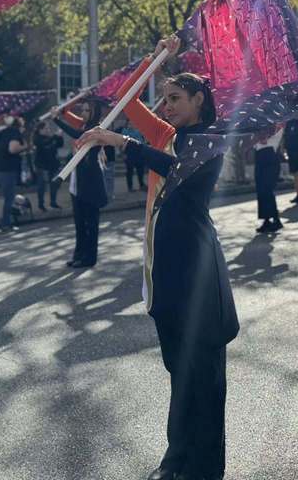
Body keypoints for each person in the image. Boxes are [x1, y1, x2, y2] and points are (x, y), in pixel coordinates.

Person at [78, 36, 237, 480]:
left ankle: (205, 466)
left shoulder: (210, 138)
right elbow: (129, 100)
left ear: (199, 100)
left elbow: (176, 170)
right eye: (164, 98)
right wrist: (155, 58)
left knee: (203, 377)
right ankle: (178, 454)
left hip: (199, 276)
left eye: (174, 98)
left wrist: (120, 142)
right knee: (179, 372)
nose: (165, 106)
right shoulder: (168, 135)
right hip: (165, 273)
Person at [51, 100, 111, 268]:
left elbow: (76, 134)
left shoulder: (97, 129)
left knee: (91, 224)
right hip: (77, 183)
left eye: (87, 110)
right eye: (82, 110)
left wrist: (57, 119)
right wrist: (66, 107)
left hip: (91, 184)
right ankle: (79, 255)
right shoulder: (84, 125)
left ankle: (89, 258)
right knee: (79, 224)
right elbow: (72, 120)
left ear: (94, 113)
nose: (83, 113)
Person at [0, 115, 26, 229]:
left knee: (9, 198)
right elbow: (13, 149)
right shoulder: (14, 132)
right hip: (8, 171)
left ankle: (7, 222)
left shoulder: (4, 132)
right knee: (9, 199)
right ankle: (6, 224)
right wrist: (24, 146)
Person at [254, 127, 284, 233]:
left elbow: (281, 129)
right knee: (261, 193)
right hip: (259, 166)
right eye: (260, 132)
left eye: (264, 132)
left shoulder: (273, 139)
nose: (262, 134)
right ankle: (266, 220)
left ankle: (276, 220)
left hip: (271, 168)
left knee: (268, 192)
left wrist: (270, 133)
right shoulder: (255, 141)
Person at [33, 120, 64, 210]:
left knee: (54, 184)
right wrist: (55, 136)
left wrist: (60, 137)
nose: (48, 130)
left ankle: (53, 202)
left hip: (52, 165)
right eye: (46, 128)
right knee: (42, 185)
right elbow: (43, 143)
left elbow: (59, 145)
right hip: (42, 166)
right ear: (40, 130)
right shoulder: (37, 138)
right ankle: (41, 204)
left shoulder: (50, 138)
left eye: (48, 128)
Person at [119, 118, 147, 192]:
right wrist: (123, 153)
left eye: (132, 123)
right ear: (127, 124)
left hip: (139, 154)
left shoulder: (138, 131)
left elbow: (143, 141)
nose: (131, 125)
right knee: (129, 171)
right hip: (129, 154)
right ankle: (130, 187)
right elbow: (121, 144)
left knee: (140, 170)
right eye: (130, 123)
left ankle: (141, 185)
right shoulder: (124, 132)